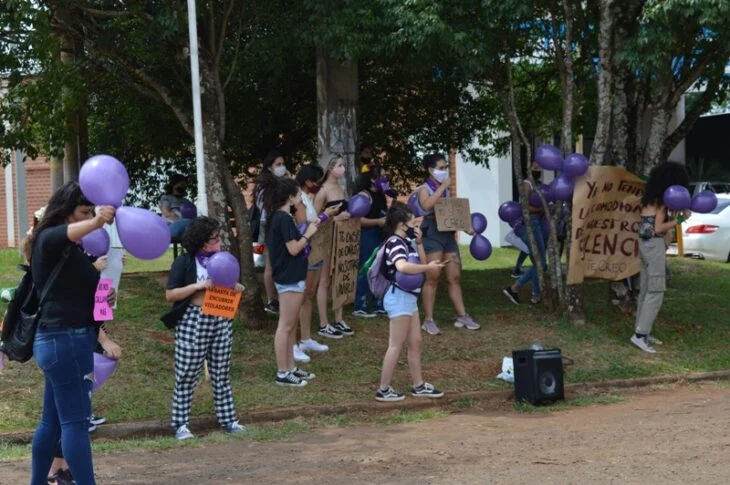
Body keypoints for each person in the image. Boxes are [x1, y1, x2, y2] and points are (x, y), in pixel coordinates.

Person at [28, 181, 115, 485]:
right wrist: (99, 220)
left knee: (51, 423)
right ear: (65, 212)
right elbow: (60, 235)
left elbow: (80, 295)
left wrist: (105, 296)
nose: (88, 217)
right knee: (75, 425)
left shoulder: (69, 250)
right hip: (66, 341)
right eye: (83, 211)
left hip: (60, 341)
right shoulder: (48, 239)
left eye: (91, 211)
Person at [165, 216, 246, 440]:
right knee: (187, 373)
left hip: (221, 317)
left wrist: (235, 287)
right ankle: (181, 423)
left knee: (221, 372)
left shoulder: (223, 260)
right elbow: (170, 294)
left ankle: (228, 419)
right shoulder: (185, 262)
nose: (219, 243)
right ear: (202, 242)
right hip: (193, 319)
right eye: (215, 239)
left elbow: (228, 282)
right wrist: (198, 286)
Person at [376, 202, 445, 402]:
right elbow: (403, 267)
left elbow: (421, 261)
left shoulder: (407, 242)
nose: (415, 226)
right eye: (412, 223)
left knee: (415, 342)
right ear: (401, 224)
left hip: (408, 298)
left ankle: (418, 384)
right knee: (396, 344)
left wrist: (420, 243)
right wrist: (427, 268)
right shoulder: (395, 243)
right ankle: (383, 388)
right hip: (399, 297)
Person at [263, 176, 319, 387]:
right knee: (285, 326)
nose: (300, 198)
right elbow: (293, 248)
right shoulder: (283, 218)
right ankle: (282, 371)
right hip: (288, 278)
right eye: (298, 194)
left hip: (291, 275)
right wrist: (309, 234)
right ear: (290, 197)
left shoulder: (281, 217)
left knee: (290, 325)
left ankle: (290, 367)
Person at [417, 153, 480, 335]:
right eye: (441, 168)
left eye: (446, 168)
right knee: (433, 276)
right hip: (432, 233)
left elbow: (451, 213)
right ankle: (428, 320)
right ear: (430, 170)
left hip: (447, 234)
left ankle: (462, 315)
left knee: (454, 277)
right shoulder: (425, 188)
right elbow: (427, 205)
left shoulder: (444, 190)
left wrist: (465, 226)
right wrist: (443, 186)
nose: (444, 171)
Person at [631, 161, 690, 353]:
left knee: (646, 289)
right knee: (656, 290)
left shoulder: (650, 199)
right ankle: (640, 335)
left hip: (645, 244)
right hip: (653, 245)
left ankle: (642, 331)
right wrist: (679, 220)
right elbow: (658, 228)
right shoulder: (662, 203)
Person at [291, 165, 339, 363]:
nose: (317, 185)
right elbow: (305, 224)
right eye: (315, 181)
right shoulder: (297, 198)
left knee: (308, 296)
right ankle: (292, 344)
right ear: (307, 181)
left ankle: (305, 338)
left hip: (314, 250)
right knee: (299, 298)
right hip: (304, 252)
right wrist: (326, 215)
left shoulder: (306, 197)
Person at [314, 155, 354, 338]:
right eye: (339, 165)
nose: (343, 169)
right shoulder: (322, 191)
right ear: (330, 168)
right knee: (324, 281)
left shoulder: (341, 188)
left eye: (343, 165)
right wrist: (334, 218)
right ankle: (323, 323)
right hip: (326, 239)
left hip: (342, 238)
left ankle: (339, 318)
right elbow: (314, 219)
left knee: (339, 278)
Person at [503, 162, 548, 305]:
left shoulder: (537, 184)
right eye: (535, 168)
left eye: (539, 168)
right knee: (540, 263)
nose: (538, 170)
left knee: (539, 263)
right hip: (529, 224)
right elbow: (525, 207)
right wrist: (544, 209)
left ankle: (523, 291)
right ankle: (523, 291)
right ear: (527, 170)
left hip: (536, 224)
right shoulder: (527, 183)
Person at [253, 150, 290, 315]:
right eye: (278, 164)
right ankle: (271, 300)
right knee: (270, 264)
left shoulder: (281, 182)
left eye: (283, 164)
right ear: (269, 167)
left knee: (279, 263)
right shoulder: (264, 185)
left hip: (279, 222)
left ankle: (281, 299)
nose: (282, 167)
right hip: (269, 224)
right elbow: (265, 207)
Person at [352, 163, 389, 318]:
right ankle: (360, 304)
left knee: (380, 268)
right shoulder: (364, 195)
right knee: (366, 268)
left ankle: (377, 303)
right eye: (382, 176)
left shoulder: (380, 194)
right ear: (372, 178)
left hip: (380, 235)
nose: (385, 179)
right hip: (368, 234)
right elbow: (357, 220)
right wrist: (378, 222)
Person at [159, 174, 194, 239]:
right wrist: (182, 221)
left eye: (185, 185)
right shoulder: (165, 198)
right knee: (190, 223)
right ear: (173, 185)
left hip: (186, 227)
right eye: (181, 184)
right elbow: (167, 213)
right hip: (169, 227)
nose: (184, 187)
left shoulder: (186, 201)